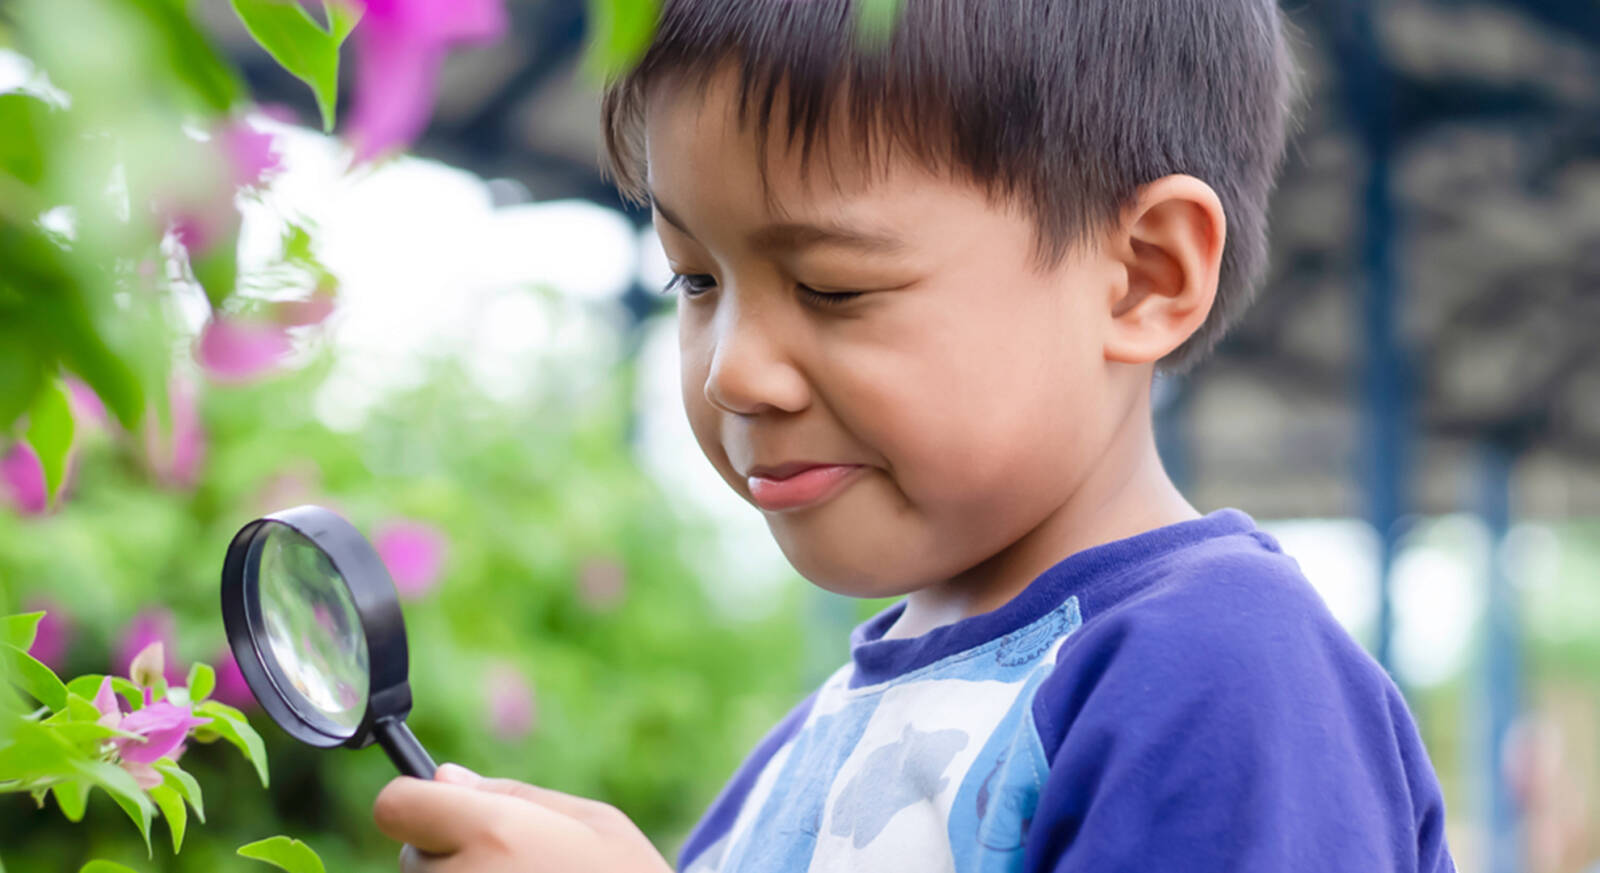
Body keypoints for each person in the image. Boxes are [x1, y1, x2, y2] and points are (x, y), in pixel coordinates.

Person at [371, 1, 1458, 870]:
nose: (733, 371)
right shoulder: (830, 733)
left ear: (1142, 276)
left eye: (832, 287)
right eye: (694, 278)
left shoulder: (1218, 675)